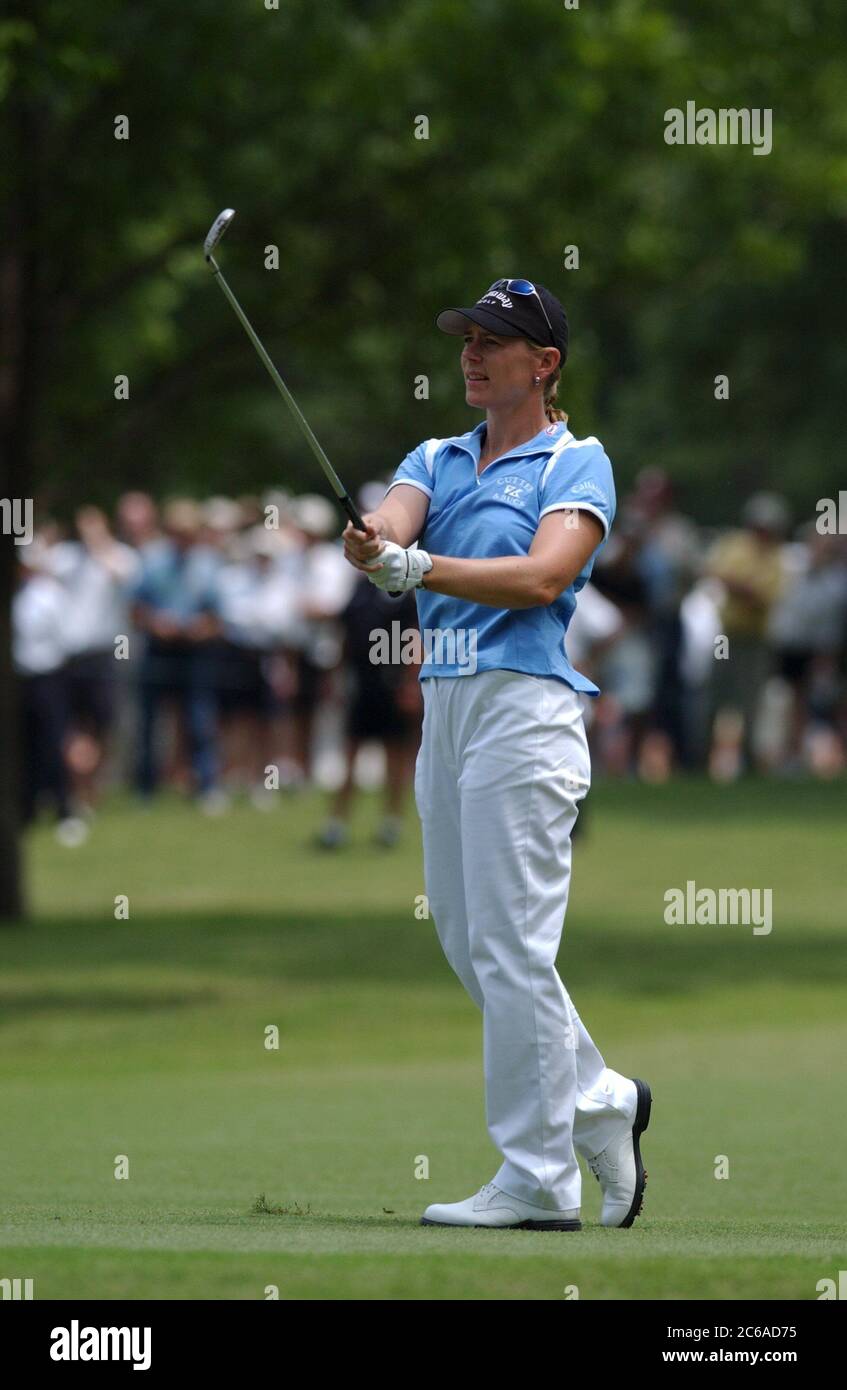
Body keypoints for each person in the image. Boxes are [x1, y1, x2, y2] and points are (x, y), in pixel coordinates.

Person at [343, 278, 651, 1231]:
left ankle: (538, 1179)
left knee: (511, 946)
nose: (471, 354)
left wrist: (422, 566)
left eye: (494, 341)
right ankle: (600, 1098)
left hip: (525, 708)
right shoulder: (435, 455)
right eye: (466, 339)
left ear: (544, 363)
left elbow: (543, 575)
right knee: (469, 941)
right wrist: (376, 545)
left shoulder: (576, 460)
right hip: (445, 708)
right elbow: (395, 519)